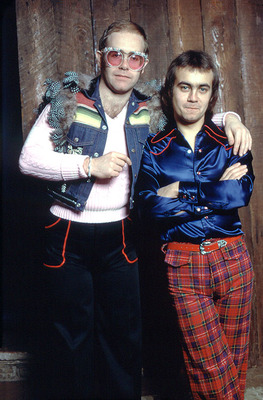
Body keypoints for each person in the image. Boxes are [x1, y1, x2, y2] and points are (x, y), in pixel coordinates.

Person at [19, 19, 251, 399]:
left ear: (143, 64)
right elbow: (28, 160)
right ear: (100, 58)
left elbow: (192, 110)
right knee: (70, 337)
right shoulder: (67, 101)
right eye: (116, 54)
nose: (124, 64)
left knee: (124, 338)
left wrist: (232, 119)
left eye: (135, 57)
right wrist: (88, 167)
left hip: (122, 233)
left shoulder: (147, 110)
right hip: (67, 234)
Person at [135, 50, 254, 400]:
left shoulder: (230, 140)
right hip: (183, 264)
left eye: (202, 89)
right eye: (185, 87)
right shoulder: (154, 149)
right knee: (208, 366)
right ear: (170, 91)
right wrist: (216, 193)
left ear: (211, 95)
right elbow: (148, 206)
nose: (193, 97)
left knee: (233, 362)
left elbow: (241, 192)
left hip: (232, 259)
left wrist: (180, 191)